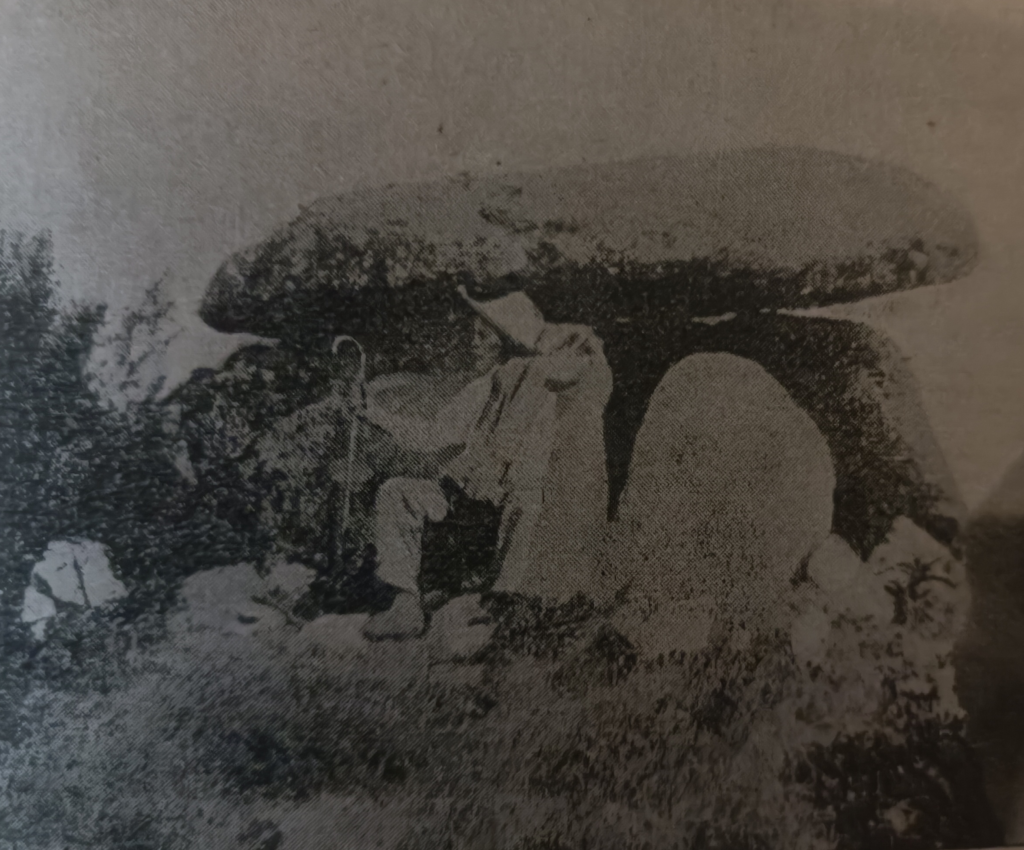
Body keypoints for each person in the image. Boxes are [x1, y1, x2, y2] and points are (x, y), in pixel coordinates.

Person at [359, 286, 612, 641]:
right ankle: (406, 606)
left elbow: (587, 367)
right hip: (460, 501)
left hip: (504, 512)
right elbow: (433, 436)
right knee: (398, 493)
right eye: (473, 336)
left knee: (520, 519)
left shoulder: (551, 396)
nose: (473, 344)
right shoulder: (483, 389)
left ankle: (492, 609)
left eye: (482, 337)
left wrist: (568, 347)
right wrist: (376, 415)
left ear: (506, 345)